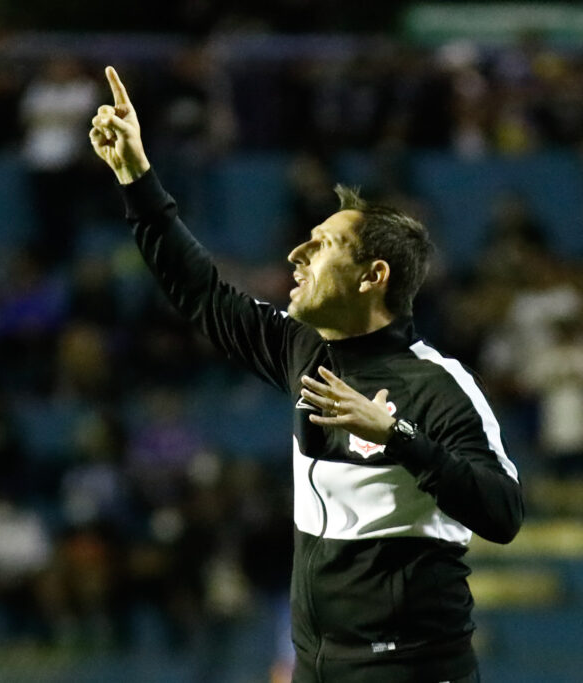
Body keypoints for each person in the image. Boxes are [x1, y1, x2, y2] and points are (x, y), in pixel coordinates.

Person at [89, 66, 523, 683]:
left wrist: (397, 435)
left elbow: (504, 513)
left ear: (373, 276)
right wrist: (137, 176)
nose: (296, 254)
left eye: (320, 246)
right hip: (318, 667)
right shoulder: (303, 350)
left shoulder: (437, 385)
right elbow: (202, 295)